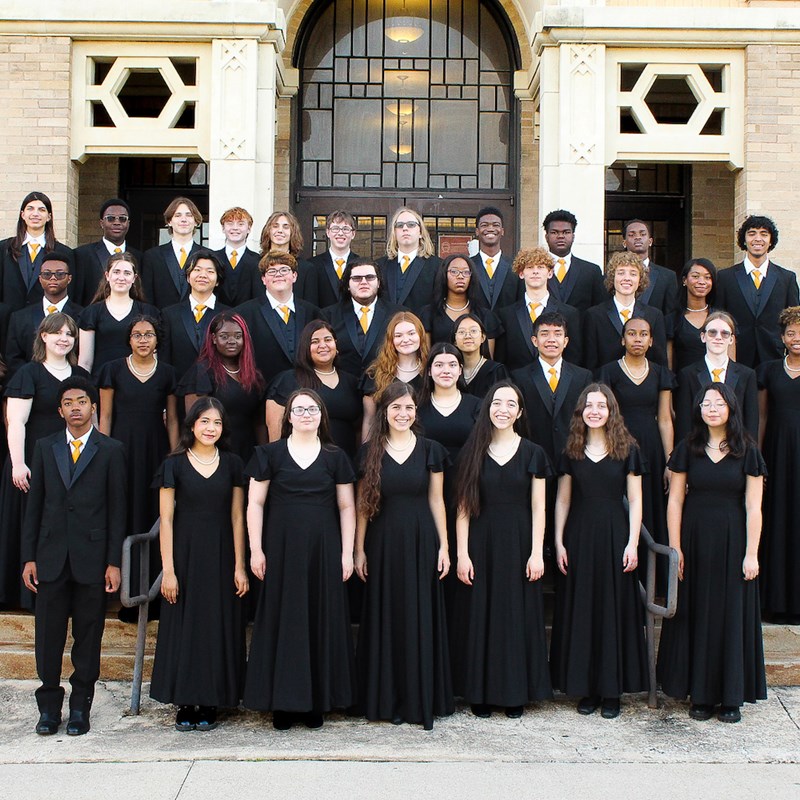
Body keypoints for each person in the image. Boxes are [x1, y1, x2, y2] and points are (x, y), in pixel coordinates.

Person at [244, 389, 356, 730]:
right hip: (281, 549)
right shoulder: (268, 455)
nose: (306, 414)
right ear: (288, 416)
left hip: (323, 550)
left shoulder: (336, 457)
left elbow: (347, 506)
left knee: (320, 619)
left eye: (313, 409)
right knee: (285, 620)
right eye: (299, 409)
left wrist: (347, 553)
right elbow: (255, 504)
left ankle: (316, 703)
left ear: (322, 416)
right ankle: (282, 703)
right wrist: (256, 549)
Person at [21, 377, 126, 736]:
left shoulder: (111, 450)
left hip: (93, 560)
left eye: (82, 401)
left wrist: (114, 561)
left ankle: (80, 707)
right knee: (47, 638)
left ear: (93, 406)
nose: (76, 408)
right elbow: (34, 508)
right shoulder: (44, 446)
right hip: (50, 558)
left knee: (88, 637)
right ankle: (49, 708)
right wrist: (29, 557)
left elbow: (118, 510)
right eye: (69, 402)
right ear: (60, 409)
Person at [657, 384, 767, 723]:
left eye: (719, 403)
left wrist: (752, 553)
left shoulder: (747, 449)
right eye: (707, 403)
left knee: (730, 615)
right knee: (698, 613)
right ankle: (700, 696)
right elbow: (675, 500)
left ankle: (730, 697)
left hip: (734, 542)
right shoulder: (687, 448)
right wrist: (675, 549)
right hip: (694, 541)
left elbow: (753, 506)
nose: (713, 408)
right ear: (698, 409)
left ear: (732, 408)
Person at [354, 382, 452, 730]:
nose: (402, 414)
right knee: (388, 616)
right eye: (395, 408)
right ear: (384, 412)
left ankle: (417, 698)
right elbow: (363, 506)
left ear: (416, 412)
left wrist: (444, 546)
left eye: (409, 408)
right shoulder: (369, 452)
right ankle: (389, 698)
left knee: (418, 615)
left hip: (421, 540)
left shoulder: (431, 450)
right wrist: (358, 549)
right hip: (382, 543)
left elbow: (437, 500)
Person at [150, 397, 249, 732]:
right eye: (205, 421)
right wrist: (169, 570)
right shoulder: (173, 465)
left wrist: (240, 566)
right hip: (185, 556)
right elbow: (165, 520)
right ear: (192, 425)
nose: (211, 428)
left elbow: (237, 518)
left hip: (222, 555)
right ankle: (185, 701)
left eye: (217, 423)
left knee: (215, 626)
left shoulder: (234, 463)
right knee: (186, 626)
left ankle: (210, 701)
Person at [550, 383, 648, 718]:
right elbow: (563, 499)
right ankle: (586, 689)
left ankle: (611, 692)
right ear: (580, 412)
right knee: (583, 610)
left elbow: (635, 500)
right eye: (588, 405)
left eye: (601, 405)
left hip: (614, 536)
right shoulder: (571, 450)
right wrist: (559, 541)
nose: (594, 410)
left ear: (611, 411)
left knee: (612, 611)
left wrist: (633, 542)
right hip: (579, 535)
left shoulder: (627, 448)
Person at [455, 381, 552, 717]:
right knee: (480, 615)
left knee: (515, 615)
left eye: (511, 404)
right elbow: (464, 507)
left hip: (520, 542)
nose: (503, 409)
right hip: (481, 542)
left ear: (520, 412)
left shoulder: (533, 453)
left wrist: (537, 552)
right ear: (487, 408)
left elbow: (539, 507)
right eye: (497, 403)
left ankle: (514, 695)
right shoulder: (472, 451)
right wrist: (462, 553)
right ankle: (480, 693)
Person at [0, 313, 89, 609]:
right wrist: (18, 463)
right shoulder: (29, 373)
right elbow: (16, 422)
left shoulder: (81, 377)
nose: (64, 338)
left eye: (69, 333)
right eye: (57, 333)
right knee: (31, 524)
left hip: (69, 467)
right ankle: (21, 594)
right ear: (44, 337)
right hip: (31, 465)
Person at [417, 343, 481, 679]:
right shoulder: (416, 407)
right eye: (438, 364)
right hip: (429, 501)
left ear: (461, 370)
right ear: (429, 371)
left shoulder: (476, 407)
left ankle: (464, 667)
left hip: (470, 498)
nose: (445, 370)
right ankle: (437, 668)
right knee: (437, 576)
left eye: (452, 364)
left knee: (466, 580)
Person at [511, 312, 593, 548]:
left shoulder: (583, 376)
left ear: (566, 341)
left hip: (573, 461)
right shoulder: (519, 376)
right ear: (534, 340)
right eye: (544, 334)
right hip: (533, 463)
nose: (551, 339)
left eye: (558, 334)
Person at [599, 316, 675, 571]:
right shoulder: (608, 372)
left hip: (652, 449)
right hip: (619, 447)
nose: (638, 339)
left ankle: (654, 576)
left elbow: (665, 419)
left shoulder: (661, 373)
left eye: (643, 334)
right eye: (632, 334)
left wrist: (670, 461)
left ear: (652, 340)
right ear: (622, 339)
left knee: (651, 508)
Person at [98, 315, 179, 546]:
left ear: (157, 340)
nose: (143, 340)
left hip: (155, 447)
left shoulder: (168, 373)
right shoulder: (112, 370)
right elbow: (105, 415)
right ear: (129, 340)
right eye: (137, 335)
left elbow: (172, 419)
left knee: (152, 502)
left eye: (149, 335)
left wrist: (174, 457)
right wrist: (104, 453)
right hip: (122, 446)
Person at [756, 306, 800, 623]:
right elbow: (761, 417)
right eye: (791, 333)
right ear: (783, 338)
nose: (797, 338)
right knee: (777, 520)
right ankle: (776, 602)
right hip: (777, 452)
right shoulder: (769, 370)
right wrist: (758, 457)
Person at [178, 312, 266, 463]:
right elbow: (196, 423)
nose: (232, 341)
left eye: (238, 336)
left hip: (248, 451)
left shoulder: (253, 375)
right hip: (215, 453)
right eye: (224, 336)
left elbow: (259, 421)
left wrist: (265, 454)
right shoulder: (202, 371)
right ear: (213, 338)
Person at [267, 321, 361, 457]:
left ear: (336, 344)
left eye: (328, 340)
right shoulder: (288, 380)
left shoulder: (352, 382)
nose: (323, 345)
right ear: (305, 347)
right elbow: (275, 428)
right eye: (315, 341)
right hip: (302, 463)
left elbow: (358, 428)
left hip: (345, 463)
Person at [716, 215, 799, 368]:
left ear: (771, 240)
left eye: (764, 234)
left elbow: (793, 320)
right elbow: (719, 316)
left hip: (774, 355)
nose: (758, 239)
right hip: (736, 355)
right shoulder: (725, 277)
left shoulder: (787, 278)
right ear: (744, 239)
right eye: (752, 233)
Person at [235, 250, 321, 388]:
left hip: (306, 392)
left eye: (284, 270)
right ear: (263, 279)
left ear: (294, 276)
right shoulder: (244, 313)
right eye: (272, 271)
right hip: (260, 392)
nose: (278, 275)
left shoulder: (313, 313)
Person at [674, 311, 759, 442]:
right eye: (712, 332)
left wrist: (749, 457)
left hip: (737, 451)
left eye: (725, 333)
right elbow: (684, 424)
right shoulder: (687, 375)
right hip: (699, 450)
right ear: (703, 336)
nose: (718, 337)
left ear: (732, 339)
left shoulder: (747, 375)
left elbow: (751, 422)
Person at [495, 247, 582, 370]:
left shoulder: (569, 313)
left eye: (540, 267)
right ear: (521, 273)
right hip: (516, 384)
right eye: (530, 267)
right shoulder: (506, 315)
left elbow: (574, 358)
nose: (535, 271)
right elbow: (502, 360)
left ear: (550, 273)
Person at [582, 250, 667, 374]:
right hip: (606, 387)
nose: (627, 278)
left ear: (640, 280)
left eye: (633, 274)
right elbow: (590, 363)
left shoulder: (654, 316)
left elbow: (660, 363)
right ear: (612, 277)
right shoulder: (594, 315)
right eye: (621, 273)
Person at [78, 252, 160, 378]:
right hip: (101, 384)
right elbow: (85, 362)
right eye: (116, 272)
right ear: (107, 276)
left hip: (138, 382)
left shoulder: (148, 312)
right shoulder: (91, 313)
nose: (121, 278)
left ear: (134, 278)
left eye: (127, 273)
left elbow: (153, 357)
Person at [320, 259, 405, 378]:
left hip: (385, 387)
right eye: (357, 278)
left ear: (379, 283)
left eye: (370, 277)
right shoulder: (328, 315)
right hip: (342, 387)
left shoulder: (398, 314)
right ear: (347, 285)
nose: (363, 282)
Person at [4, 252, 83, 376]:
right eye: (47, 274)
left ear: (69, 279)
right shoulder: (19, 317)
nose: (53, 278)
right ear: (40, 279)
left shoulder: (83, 315)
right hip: (30, 385)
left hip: (70, 385)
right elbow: (13, 358)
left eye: (60, 274)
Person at [160, 249, 230, 384]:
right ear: (188, 276)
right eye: (197, 270)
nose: (203, 275)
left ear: (217, 281)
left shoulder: (228, 315)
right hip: (179, 390)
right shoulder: (169, 314)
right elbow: (165, 360)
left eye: (210, 271)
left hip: (218, 390)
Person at [0, 192, 74, 313]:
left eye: (41, 210)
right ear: (23, 214)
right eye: (30, 209)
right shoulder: (4, 249)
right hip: (9, 322)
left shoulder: (64, 252)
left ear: (49, 216)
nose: (35, 214)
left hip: (47, 322)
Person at [360, 311, 428, 438]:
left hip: (424, 445)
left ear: (420, 335)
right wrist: (366, 454)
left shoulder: (431, 372)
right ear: (391, 340)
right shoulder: (375, 374)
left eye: (411, 333)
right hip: (385, 445)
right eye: (398, 335)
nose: (405, 339)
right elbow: (369, 421)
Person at [420, 254, 501, 354]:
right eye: (454, 271)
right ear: (444, 275)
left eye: (466, 272)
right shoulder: (429, 314)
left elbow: (488, 359)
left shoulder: (485, 316)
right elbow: (426, 357)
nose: (460, 276)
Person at [73, 199, 142, 306]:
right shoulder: (82, 255)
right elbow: (77, 296)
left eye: (122, 219)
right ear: (101, 223)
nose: (117, 222)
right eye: (110, 218)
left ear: (128, 223)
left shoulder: (139, 257)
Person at [140, 197, 202, 309]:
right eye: (178, 215)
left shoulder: (208, 256)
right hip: (162, 323)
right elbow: (147, 297)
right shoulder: (152, 256)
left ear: (196, 221)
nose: (184, 219)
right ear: (169, 221)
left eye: (189, 215)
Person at [377, 207, 440, 316]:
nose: (405, 228)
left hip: (420, 330)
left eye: (411, 224)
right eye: (400, 225)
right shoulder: (379, 266)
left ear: (420, 232)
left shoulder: (437, 266)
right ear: (394, 233)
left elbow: (437, 305)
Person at [542, 209, 606, 314]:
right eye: (554, 232)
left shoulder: (591, 271)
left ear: (573, 236)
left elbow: (599, 311)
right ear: (546, 237)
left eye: (566, 232)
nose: (561, 236)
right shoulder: (534, 271)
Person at [667, 258, 720, 374]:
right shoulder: (672, 320)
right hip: (683, 386)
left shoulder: (721, 319)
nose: (702, 281)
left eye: (707, 277)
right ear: (684, 280)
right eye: (695, 276)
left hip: (716, 387)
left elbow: (731, 364)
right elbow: (668, 367)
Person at [622, 219, 679, 318]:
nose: (638, 237)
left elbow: (671, 316)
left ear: (650, 241)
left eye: (643, 234)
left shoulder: (668, 277)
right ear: (624, 243)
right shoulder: (613, 276)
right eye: (632, 235)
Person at [469, 207, 522, 310]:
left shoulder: (516, 267)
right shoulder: (468, 265)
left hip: (507, 325)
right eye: (484, 225)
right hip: (475, 324)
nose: (490, 228)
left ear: (502, 231)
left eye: (495, 225)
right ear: (477, 231)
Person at [258, 210, 316, 303]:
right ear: (268, 231)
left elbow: (310, 308)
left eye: (286, 227)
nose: (280, 231)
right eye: (275, 226)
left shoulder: (306, 269)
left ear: (293, 232)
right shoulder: (254, 265)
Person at [309, 210, 361, 309]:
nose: (340, 233)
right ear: (328, 232)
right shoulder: (313, 265)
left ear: (353, 234)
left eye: (346, 229)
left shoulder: (361, 265)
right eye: (335, 228)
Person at [212, 207, 262, 308]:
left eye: (241, 224)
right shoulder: (213, 259)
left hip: (248, 318)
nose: (235, 228)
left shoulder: (258, 261)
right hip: (216, 318)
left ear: (249, 229)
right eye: (230, 223)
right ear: (223, 228)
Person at [452, 313, 508, 399]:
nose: (468, 336)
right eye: (461, 332)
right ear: (455, 341)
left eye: (473, 331)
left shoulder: (496, 371)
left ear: (483, 337)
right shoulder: (451, 372)